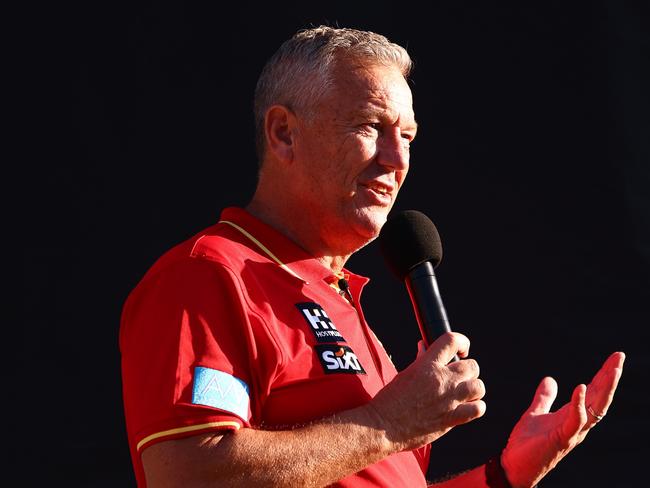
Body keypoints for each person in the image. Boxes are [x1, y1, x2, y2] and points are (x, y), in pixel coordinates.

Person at [119, 26, 625, 487]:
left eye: (407, 136)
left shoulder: (337, 296)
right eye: (369, 126)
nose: (397, 159)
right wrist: (388, 425)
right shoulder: (207, 274)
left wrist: (506, 475)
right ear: (283, 133)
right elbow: (186, 474)